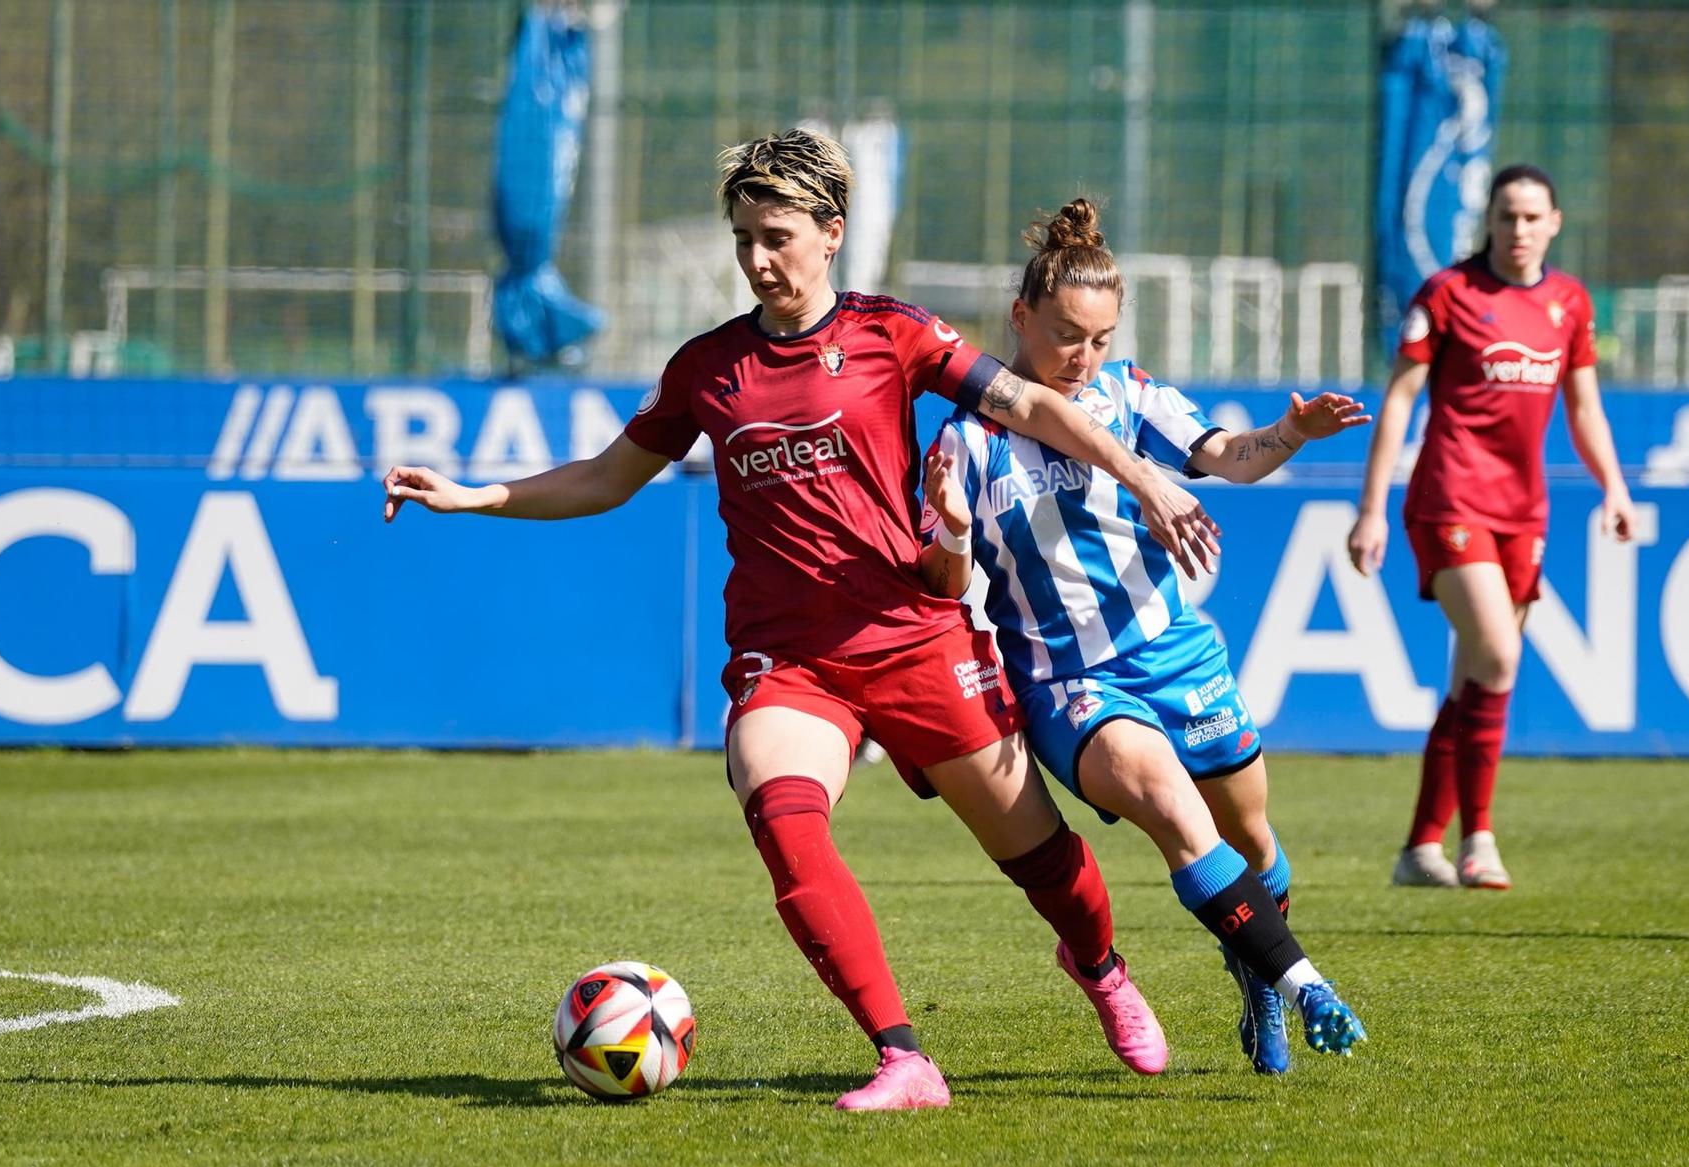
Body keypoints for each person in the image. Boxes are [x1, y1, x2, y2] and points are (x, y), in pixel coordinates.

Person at [382, 129, 1224, 1110]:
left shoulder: (893, 333)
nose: (755, 257)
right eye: (742, 236)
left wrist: (1146, 480)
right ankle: (903, 1055)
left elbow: (1034, 407)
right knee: (784, 821)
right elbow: (610, 475)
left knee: (1043, 860)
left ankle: (1099, 968)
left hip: (916, 638)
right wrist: (476, 494)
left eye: (776, 234)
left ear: (831, 233)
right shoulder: (705, 368)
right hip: (789, 662)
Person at [921, 199, 1371, 1071]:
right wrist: (949, 532)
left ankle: (1253, 967)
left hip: (1175, 654)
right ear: (1019, 317)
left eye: (1098, 338)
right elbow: (942, 585)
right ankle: (1302, 984)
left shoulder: (1129, 395)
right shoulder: (966, 442)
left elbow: (1227, 456)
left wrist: (1291, 433)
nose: (1081, 358)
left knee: (1253, 845)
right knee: (1172, 808)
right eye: (1064, 335)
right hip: (1070, 683)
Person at [1346, 163, 1638, 890]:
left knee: (1474, 675)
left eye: (1533, 217)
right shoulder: (1448, 294)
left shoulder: (1570, 303)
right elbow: (1401, 401)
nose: (1519, 230)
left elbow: (1585, 408)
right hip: (1449, 502)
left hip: (1524, 513)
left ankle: (1419, 849)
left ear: (1556, 223)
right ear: (1491, 221)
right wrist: (1372, 507)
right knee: (1500, 658)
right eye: (1507, 216)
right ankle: (1479, 840)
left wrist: (1616, 487)